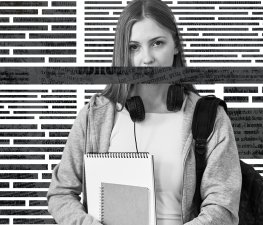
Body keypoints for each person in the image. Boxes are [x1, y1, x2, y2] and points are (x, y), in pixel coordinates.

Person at [47, 0, 242, 225]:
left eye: (157, 43)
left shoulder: (210, 117)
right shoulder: (95, 116)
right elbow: (61, 193)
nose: (147, 59)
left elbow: (223, 206)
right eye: (134, 47)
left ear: (176, 45)